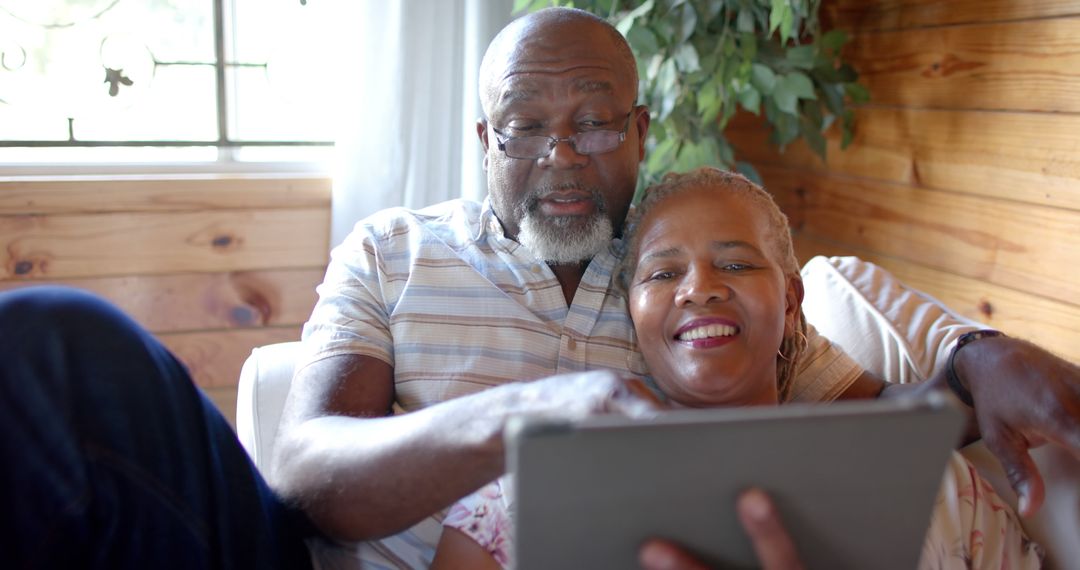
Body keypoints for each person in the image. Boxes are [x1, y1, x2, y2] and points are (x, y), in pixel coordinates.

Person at [273, 6, 1080, 567]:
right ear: (486, 139)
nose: (561, 154)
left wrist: (977, 355)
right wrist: (532, 413)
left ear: (640, 130)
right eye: (524, 126)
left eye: (594, 121)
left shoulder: (681, 278)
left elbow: (878, 431)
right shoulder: (392, 251)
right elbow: (309, 479)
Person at [428, 167, 1045, 569]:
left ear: (792, 302)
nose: (699, 289)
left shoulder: (930, 485)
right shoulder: (525, 496)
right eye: (664, 273)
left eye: (738, 265)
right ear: (633, 314)